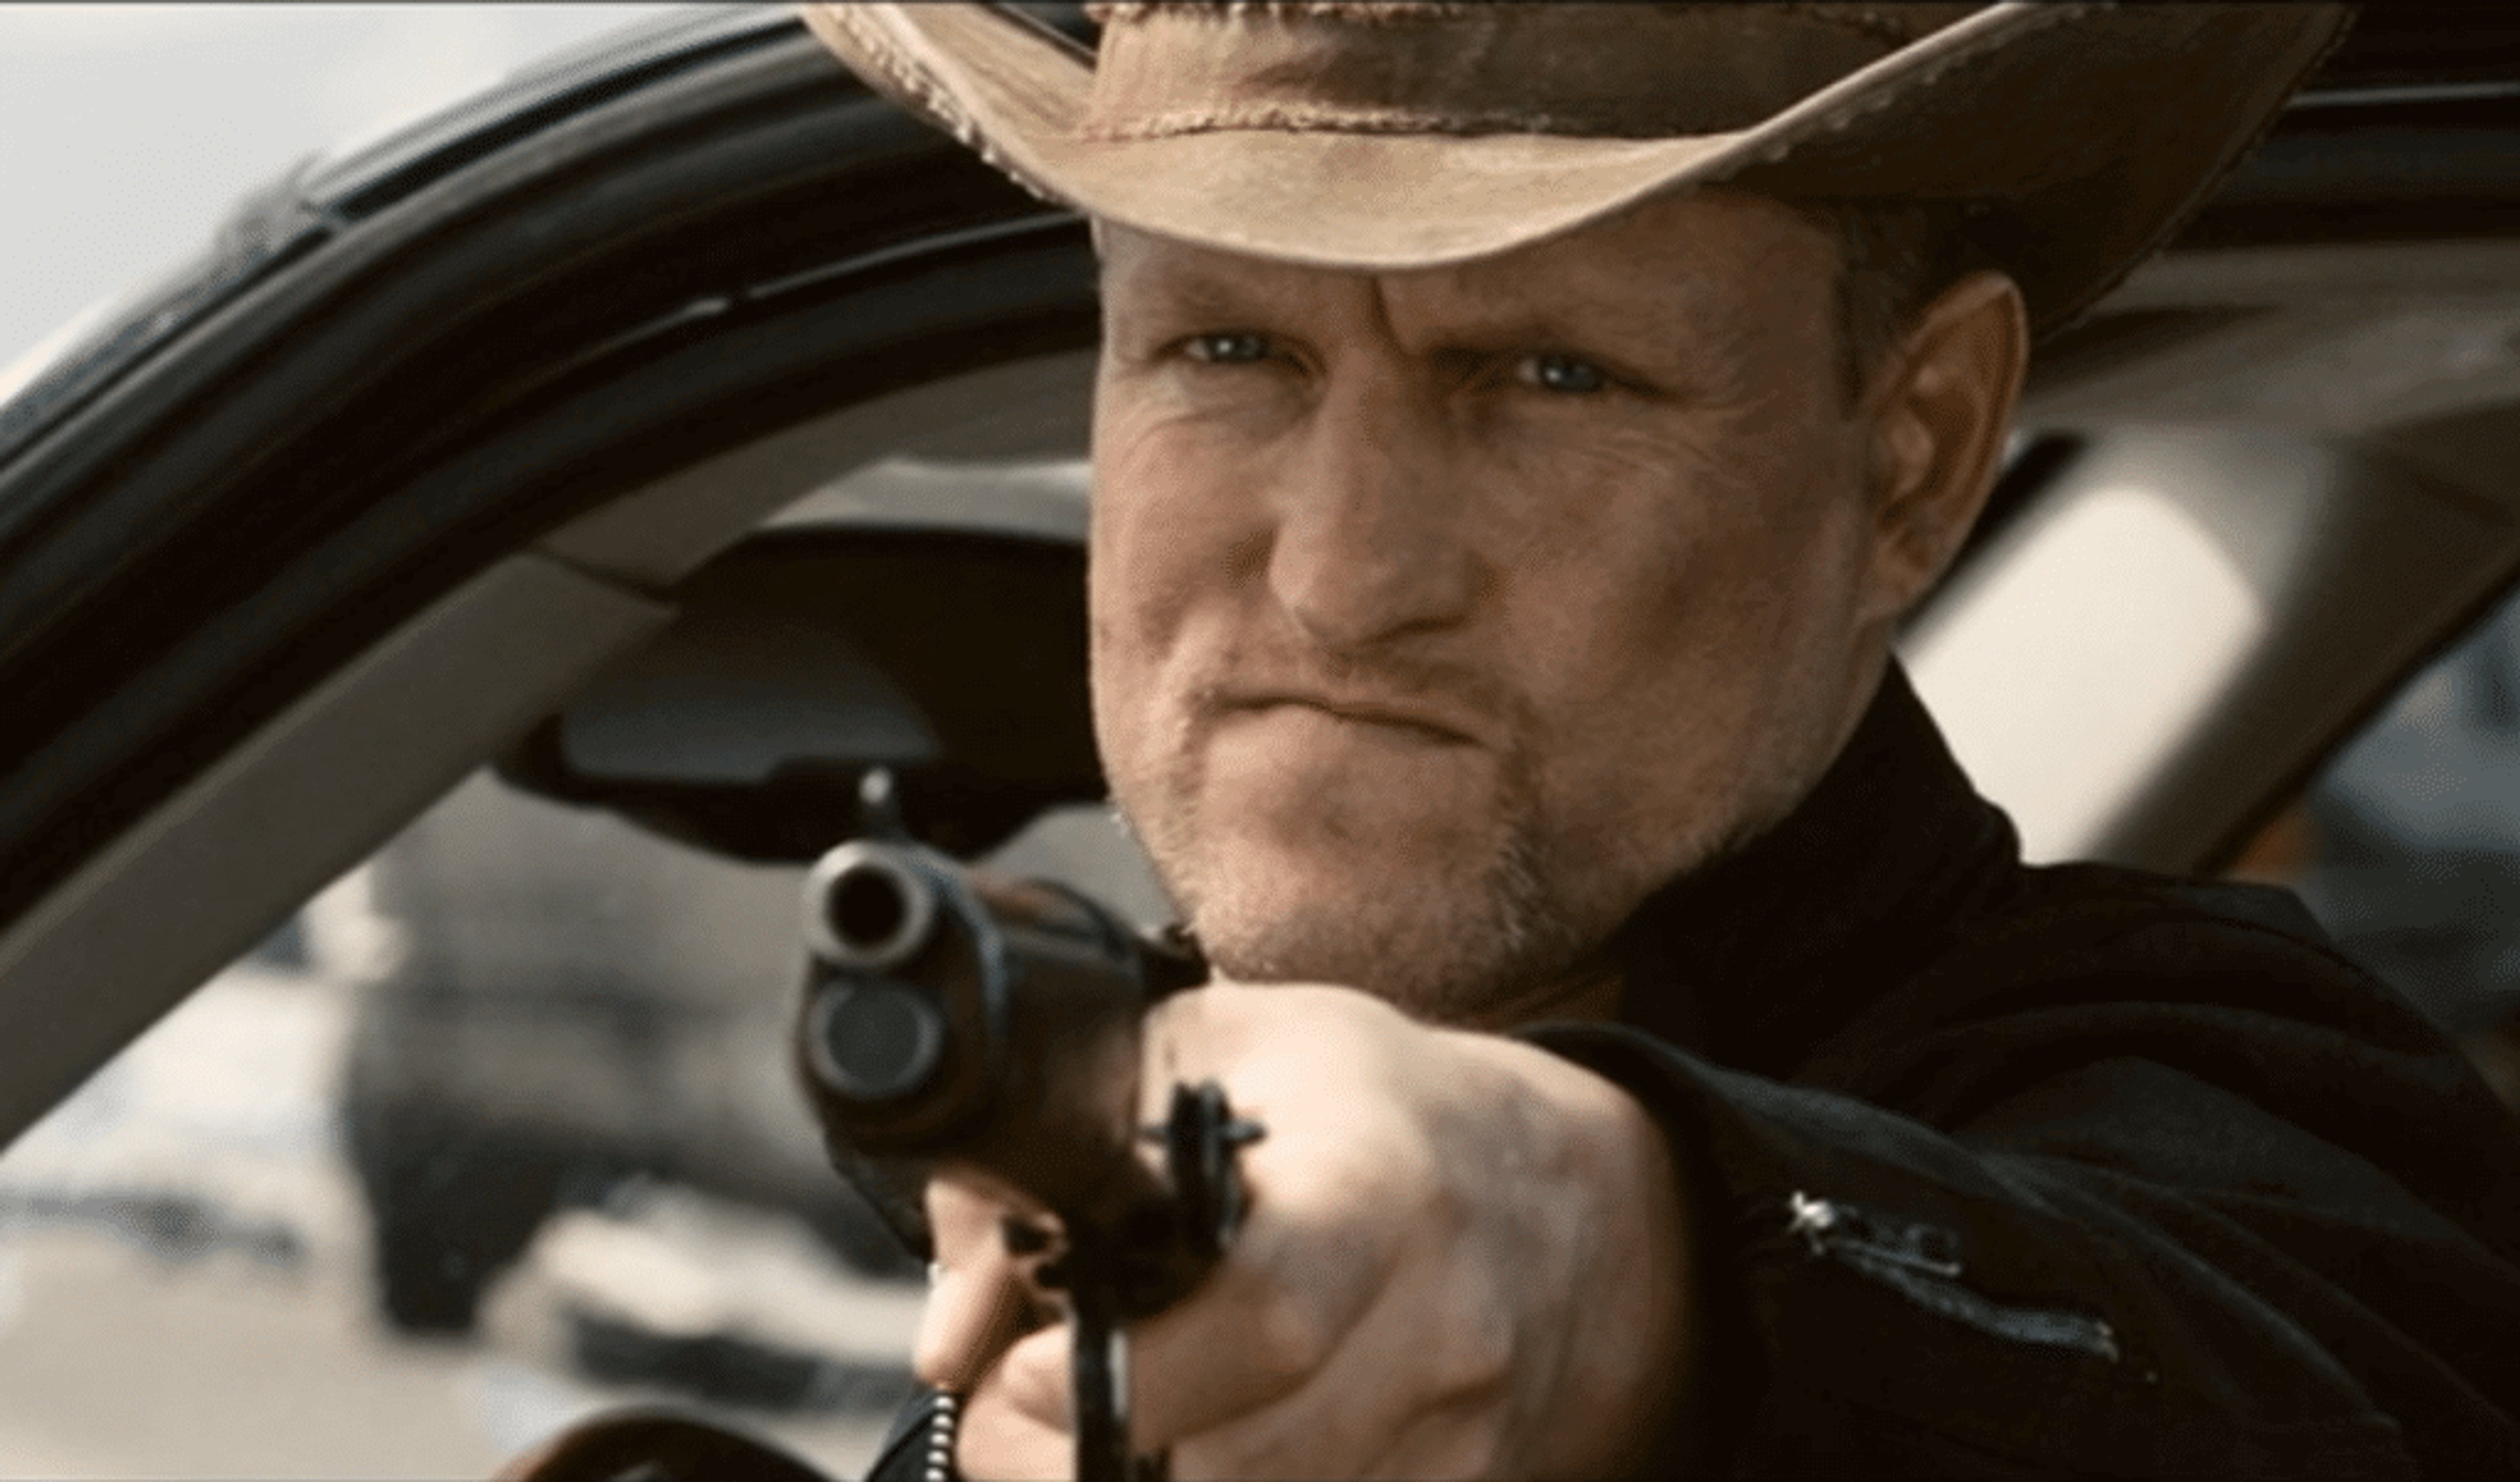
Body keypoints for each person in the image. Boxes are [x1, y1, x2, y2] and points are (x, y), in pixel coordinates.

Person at [791, 4, 2520, 1477]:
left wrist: (1599, 1245)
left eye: (1549, 376)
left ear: (1913, 453)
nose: (1340, 576)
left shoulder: (2246, 1130)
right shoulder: (1055, 1199)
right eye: (1226, 346)